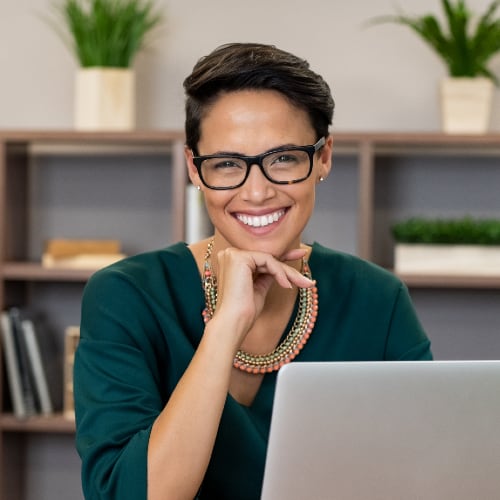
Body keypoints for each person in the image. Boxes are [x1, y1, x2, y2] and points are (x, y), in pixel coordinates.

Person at [74, 42, 432, 500]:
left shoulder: (377, 299)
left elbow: (422, 474)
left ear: (323, 157)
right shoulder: (125, 296)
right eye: (226, 164)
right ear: (194, 168)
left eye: (284, 158)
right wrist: (225, 326)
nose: (258, 192)